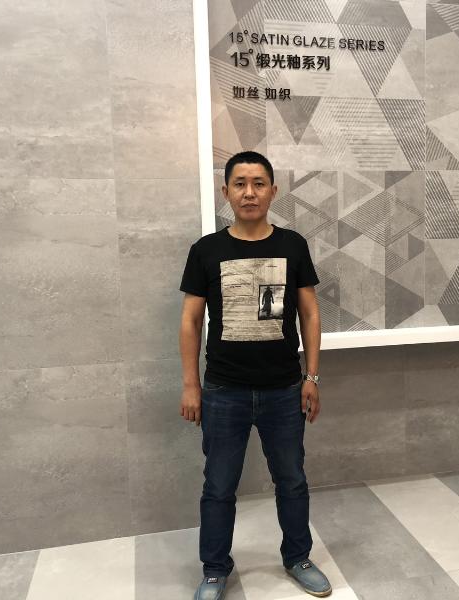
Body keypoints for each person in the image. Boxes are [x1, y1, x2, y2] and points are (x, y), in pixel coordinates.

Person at [179, 151, 331, 600]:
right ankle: (214, 570)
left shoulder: (292, 245)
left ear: (272, 191)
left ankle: (298, 558)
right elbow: (190, 321)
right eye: (240, 184)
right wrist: (191, 385)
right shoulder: (206, 251)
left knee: (292, 480)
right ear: (226, 192)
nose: (250, 192)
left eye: (259, 183)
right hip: (223, 390)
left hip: (284, 389)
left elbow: (310, 314)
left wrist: (312, 377)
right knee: (219, 486)